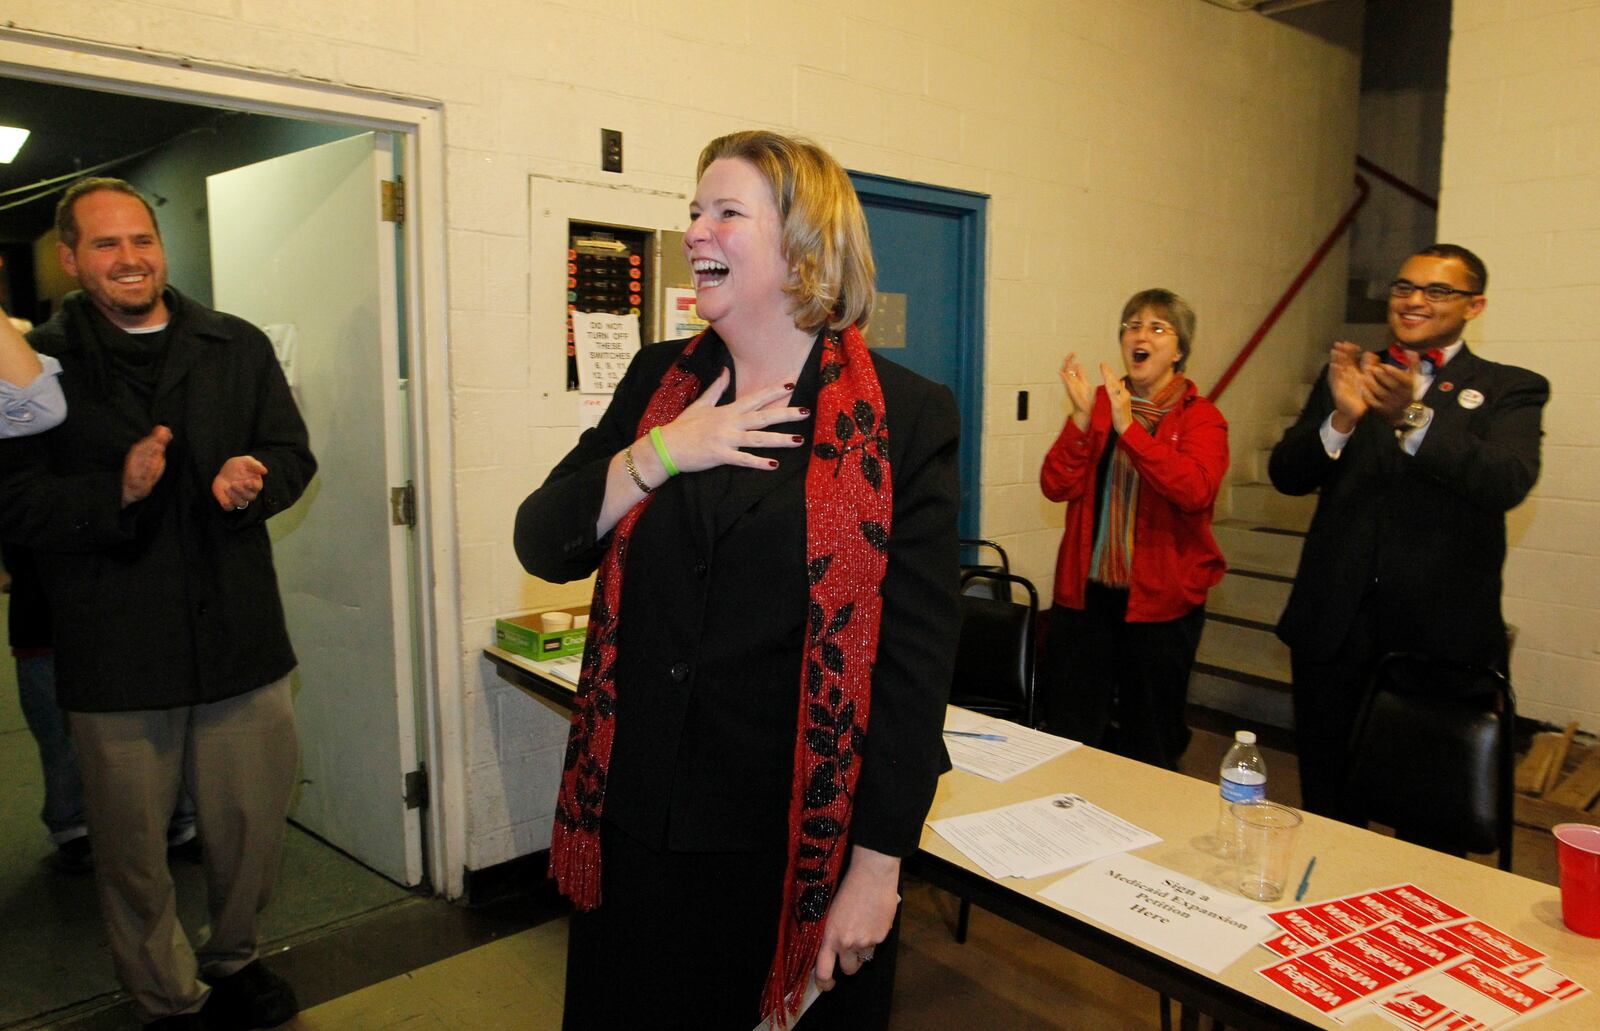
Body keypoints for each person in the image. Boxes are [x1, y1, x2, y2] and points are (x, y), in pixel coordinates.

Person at [515, 130, 960, 1030]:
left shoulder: (905, 418)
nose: (696, 232)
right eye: (692, 211)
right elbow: (543, 540)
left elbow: (911, 671)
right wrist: (658, 456)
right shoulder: (659, 384)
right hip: (636, 835)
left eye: (726, 212)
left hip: (790, 850)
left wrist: (878, 868)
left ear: (806, 244)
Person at [0, 177, 316, 1031]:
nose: (130, 258)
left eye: (141, 239)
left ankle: (234, 957)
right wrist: (118, 489)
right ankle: (167, 997)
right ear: (69, 258)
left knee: (249, 823)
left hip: (239, 638)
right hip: (115, 650)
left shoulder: (233, 343)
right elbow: (15, 503)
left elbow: (292, 453)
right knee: (133, 850)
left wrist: (254, 480)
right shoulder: (36, 363)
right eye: (105, 245)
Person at [1269, 243, 1548, 822]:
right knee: (1328, 800)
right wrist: (1342, 417)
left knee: (1428, 813)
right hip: (1335, 627)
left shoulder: (1510, 388)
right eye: (1404, 287)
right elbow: (1287, 475)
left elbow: (1506, 481)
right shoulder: (1350, 373)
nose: (1414, 300)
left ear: (1475, 305)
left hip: (1437, 640)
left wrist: (1411, 418)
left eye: (1437, 291)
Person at [1039, 289, 1228, 770]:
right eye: (1132, 326)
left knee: (1150, 739)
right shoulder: (1100, 404)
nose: (1140, 335)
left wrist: (1132, 431)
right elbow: (1055, 485)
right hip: (1086, 599)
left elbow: (1195, 491)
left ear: (1179, 349)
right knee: (1073, 731)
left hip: (1160, 606)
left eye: (1157, 328)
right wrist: (1082, 420)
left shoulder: (1201, 418)